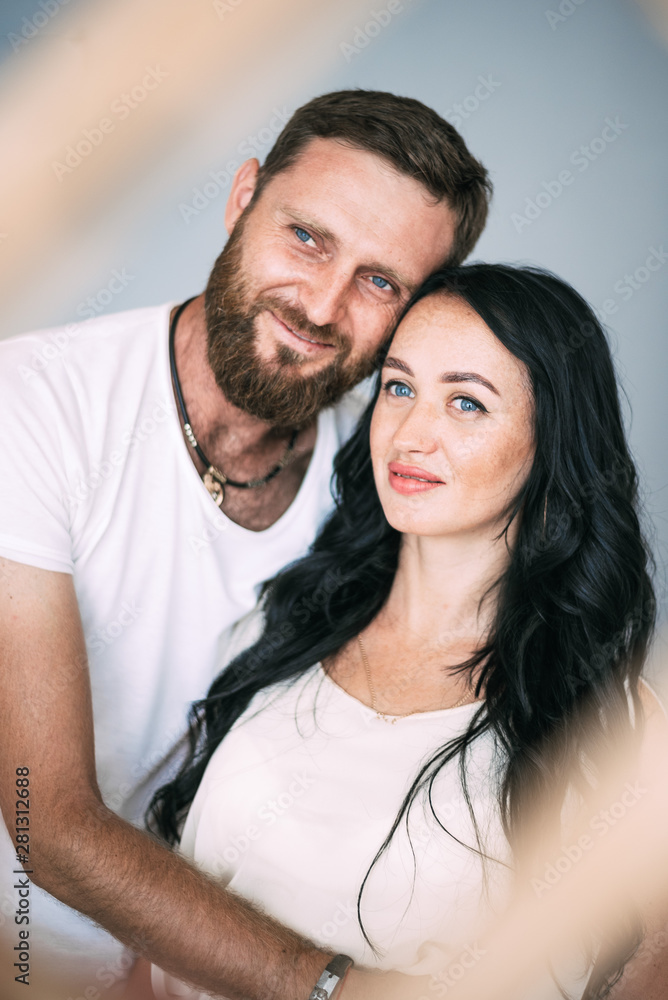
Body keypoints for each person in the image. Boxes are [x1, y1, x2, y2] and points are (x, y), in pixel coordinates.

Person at [0, 90, 491, 999]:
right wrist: (337, 988)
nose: (321, 303)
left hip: (204, 968)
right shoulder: (31, 404)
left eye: (381, 282)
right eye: (308, 237)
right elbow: (49, 826)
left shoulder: (384, 465)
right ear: (242, 199)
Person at [144, 263, 668, 999]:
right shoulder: (281, 624)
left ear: (551, 442)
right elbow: (163, 923)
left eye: (467, 403)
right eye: (398, 387)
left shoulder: (617, 730)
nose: (412, 433)